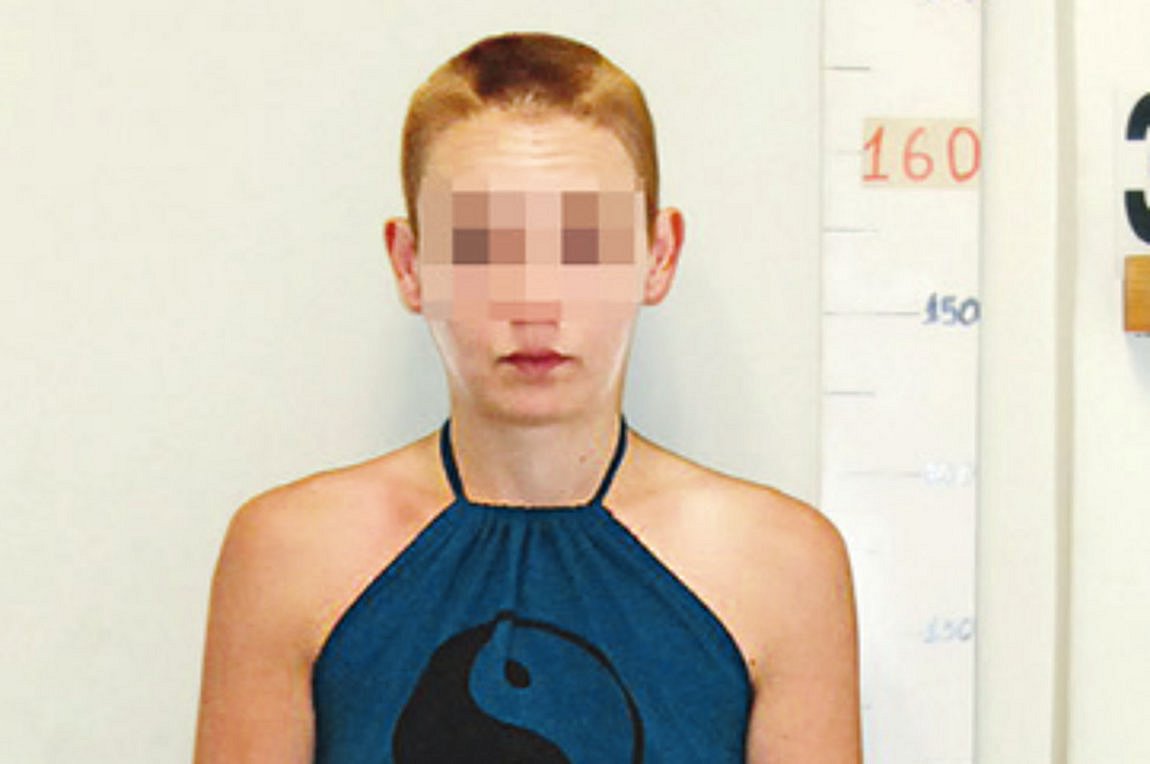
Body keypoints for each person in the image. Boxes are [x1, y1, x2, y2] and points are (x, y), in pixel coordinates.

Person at [194, 31, 861, 763]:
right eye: (482, 247)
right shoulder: (290, 553)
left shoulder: (779, 565)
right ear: (411, 264)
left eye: (582, 245)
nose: (535, 302)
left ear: (657, 255)